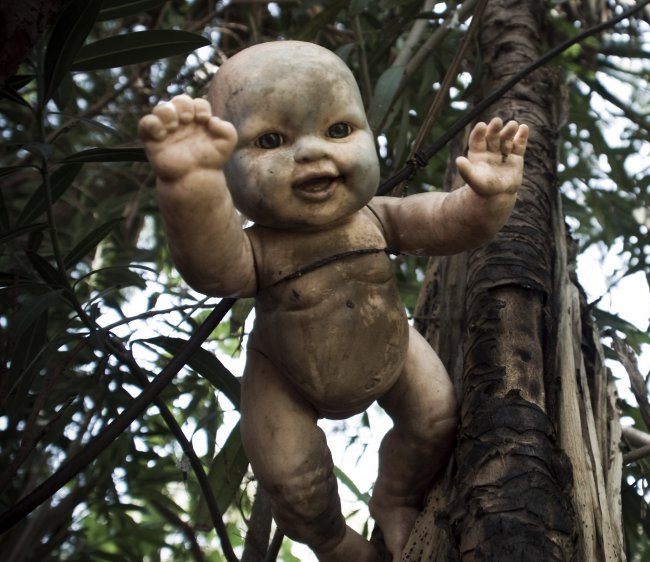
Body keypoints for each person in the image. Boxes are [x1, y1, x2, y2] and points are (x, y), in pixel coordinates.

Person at [138, 40, 529, 562]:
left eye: (338, 130)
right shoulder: (260, 249)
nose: (312, 152)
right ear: (227, 170)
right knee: (292, 481)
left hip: (392, 351)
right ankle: (333, 543)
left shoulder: (376, 217)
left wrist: (487, 197)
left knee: (435, 420)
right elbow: (212, 269)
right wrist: (189, 185)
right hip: (286, 376)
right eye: (271, 139)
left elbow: (445, 222)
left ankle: (395, 496)